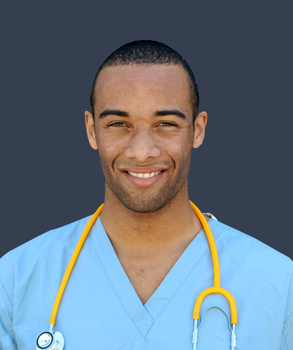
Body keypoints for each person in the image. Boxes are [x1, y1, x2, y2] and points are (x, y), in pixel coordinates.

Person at [0, 40, 292, 350]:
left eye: (165, 123)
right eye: (118, 124)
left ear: (198, 129)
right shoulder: (16, 279)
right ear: (91, 130)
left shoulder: (278, 283)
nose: (141, 151)